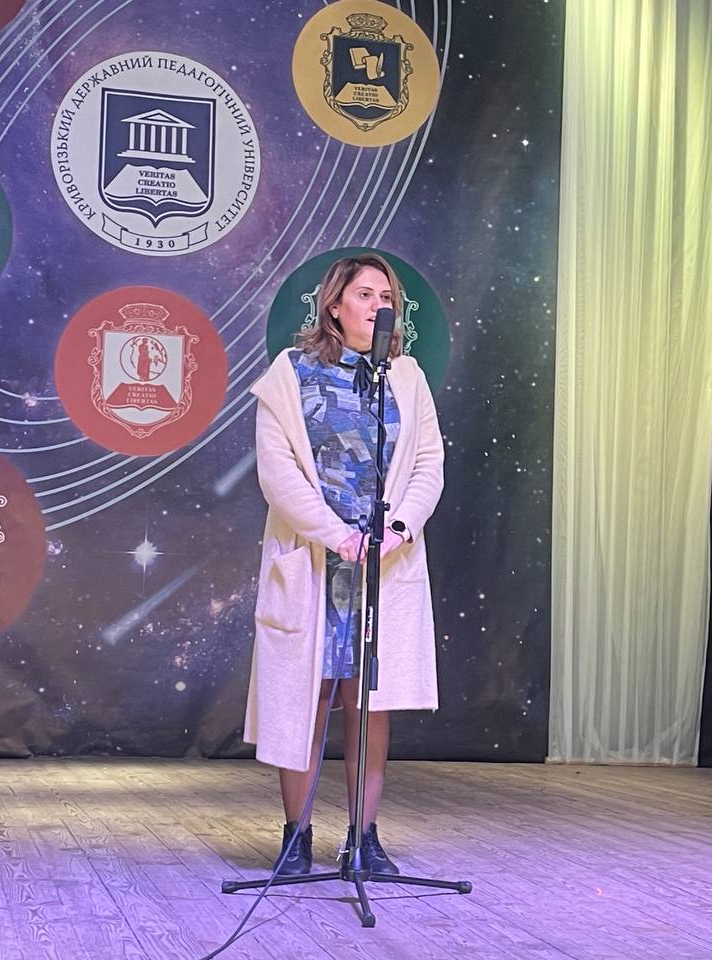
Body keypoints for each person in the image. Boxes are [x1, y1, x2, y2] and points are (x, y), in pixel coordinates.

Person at [245, 252, 444, 877]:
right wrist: (338, 536)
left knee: (369, 700)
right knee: (304, 699)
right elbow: (278, 473)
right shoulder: (292, 373)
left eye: (387, 298)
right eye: (365, 295)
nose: (378, 306)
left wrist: (397, 529)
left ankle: (364, 837)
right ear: (334, 306)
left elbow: (428, 464)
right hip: (315, 563)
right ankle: (296, 835)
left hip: (383, 565)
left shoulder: (405, 376)